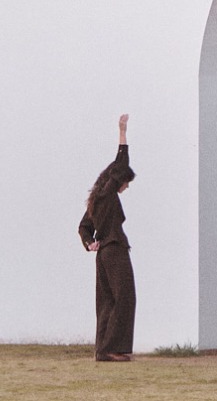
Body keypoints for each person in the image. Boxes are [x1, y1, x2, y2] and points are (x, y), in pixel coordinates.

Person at [78, 114, 137, 362]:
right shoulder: (108, 195)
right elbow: (120, 165)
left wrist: (90, 243)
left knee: (106, 301)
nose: (126, 186)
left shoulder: (96, 201)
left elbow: (83, 226)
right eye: (125, 182)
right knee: (124, 296)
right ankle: (111, 349)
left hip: (103, 254)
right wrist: (122, 134)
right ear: (116, 180)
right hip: (113, 249)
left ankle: (104, 349)